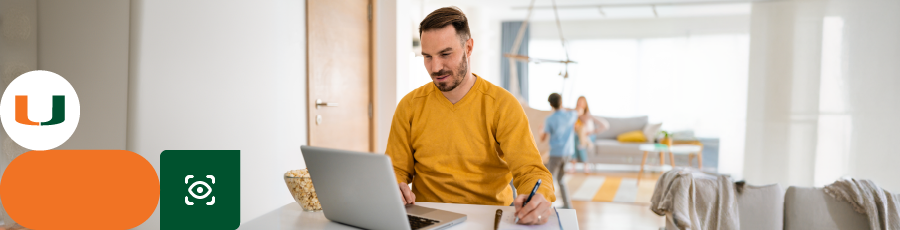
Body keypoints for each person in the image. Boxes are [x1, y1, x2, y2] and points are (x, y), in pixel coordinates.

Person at [385, 7, 555, 225]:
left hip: (488, 218)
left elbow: (530, 170)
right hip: (426, 218)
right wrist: (395, 185)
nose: (435, 67)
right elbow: (396, 169)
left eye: (445, 54)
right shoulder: (409, 106)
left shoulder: (502, 105)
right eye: (427, 56)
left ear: (469, 47)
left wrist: (538, 197)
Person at [539, 93, 577, 209]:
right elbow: (576, 111)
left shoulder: (550, 119)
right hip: (568, 153)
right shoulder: (571, 115)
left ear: (550, 104)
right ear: (561, 102)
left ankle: (545, 206)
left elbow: (543, 138)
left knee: (550, 180)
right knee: (560, 179)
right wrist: (563, 107)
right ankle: (567, 204)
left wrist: (540, 130)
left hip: (556, 153)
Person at [572, 96, 609, 173]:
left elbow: (605, 125)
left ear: (585, 104)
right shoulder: (574, 115)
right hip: (579, 135)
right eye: (579, 102)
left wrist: (593, 131)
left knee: (579, 141)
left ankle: (586, 165)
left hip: (589, 136)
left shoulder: (588, 115)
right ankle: (573, 164)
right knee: (574, 138)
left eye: (582, 102)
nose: (580, 104)